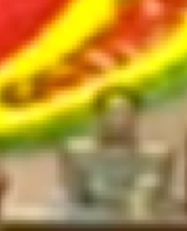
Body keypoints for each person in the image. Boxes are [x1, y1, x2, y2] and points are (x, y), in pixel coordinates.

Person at [58, 90, 176, 220]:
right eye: (112, 113)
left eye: (126, 114)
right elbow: (74, 201)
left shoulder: (158, 155)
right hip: (92, 227)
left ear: (136, 117)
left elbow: (162, 200)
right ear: (98, 116)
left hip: (142, 227)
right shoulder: (76, 153)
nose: (119, 120)